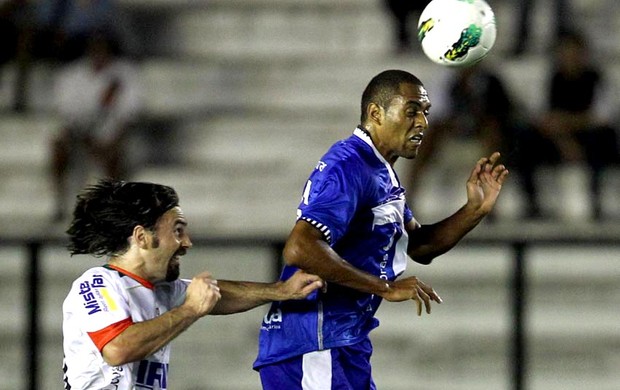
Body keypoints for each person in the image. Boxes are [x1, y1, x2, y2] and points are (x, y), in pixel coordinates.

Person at [253, 69, 509, 389]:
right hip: (312, 345)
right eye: (411, 111)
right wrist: (384, 287)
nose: (423, 123)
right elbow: (300, 246)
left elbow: (419, 245)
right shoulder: (347, 166)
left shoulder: (380, 170)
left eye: (426, 113)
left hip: (345, 343)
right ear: (376, 113)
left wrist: (474, 210)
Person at [62, 178, 324, 390]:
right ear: (142, 237)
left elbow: (219, 295)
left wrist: (281, 290)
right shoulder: (98, 284)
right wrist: (190, 309)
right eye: (177, 231)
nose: (187, 242)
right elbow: (118, 348)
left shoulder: (159, 290)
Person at [513, 30, 619, 219]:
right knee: (524, 139)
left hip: (589, 139)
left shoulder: (596, 79)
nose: (569, 57)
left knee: (603, 138)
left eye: (574, 52)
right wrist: (565, 140)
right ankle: (532, 204)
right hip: (557, 139)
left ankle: (596, 203)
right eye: (565, 52)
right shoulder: (551, 79)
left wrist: (567, 123)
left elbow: (601, 117)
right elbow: (541, 117)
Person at [50, 31, 141, 222]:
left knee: (116, 152)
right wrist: (86, 140)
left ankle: (114, 206)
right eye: (94, 48)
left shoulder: (125, 73)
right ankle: (60, 204)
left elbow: (130, 115)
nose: (98, 53)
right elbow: (67, 114)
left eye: (102, 48)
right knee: (58, 146)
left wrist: (111, 141)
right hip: (79, 134)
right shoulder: (72, 75)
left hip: (111, 134)